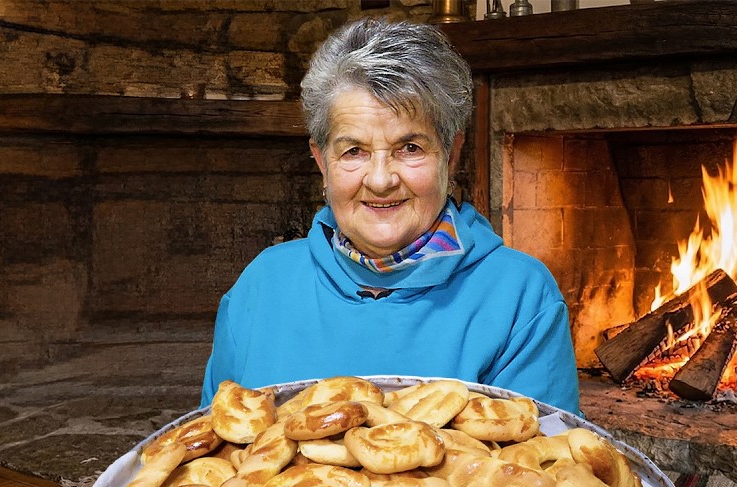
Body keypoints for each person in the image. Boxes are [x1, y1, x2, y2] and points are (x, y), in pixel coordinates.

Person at [200, 17, 580, 414]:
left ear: (451, 155)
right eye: (354, 151)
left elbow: (548, 466)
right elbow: (212, 450)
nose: (381, 180)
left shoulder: (520, 295)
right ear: (321, 162)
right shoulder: (262, 286)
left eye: (410, 148)